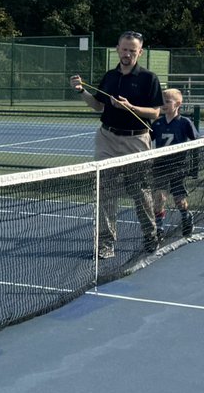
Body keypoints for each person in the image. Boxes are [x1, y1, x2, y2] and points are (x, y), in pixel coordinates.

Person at [70, 30, 162, 257]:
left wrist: (130, 107)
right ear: (118, 49)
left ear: (140, 52)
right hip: (107, 138)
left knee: (139, 191)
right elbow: (98, 106)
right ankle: (106, 243)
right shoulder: (110, 77)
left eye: (132, 50)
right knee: (105, 191)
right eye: (124, 49)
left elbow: (155, 113)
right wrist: (82, 91)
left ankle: (150, 236)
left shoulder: (148, 78)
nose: (128, 54)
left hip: (136, 139)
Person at [149, 87, 198, 239]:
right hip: (160, 167)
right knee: (159, 198)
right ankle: (160, 228)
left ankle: (186, 217)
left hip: (178, 167)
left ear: (178, 104)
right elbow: (147, 139)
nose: (164, 104)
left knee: (179, 200)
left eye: (168, 102)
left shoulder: (184, 123)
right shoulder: (157, 123)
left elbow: (195, 140)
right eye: (162, 101)